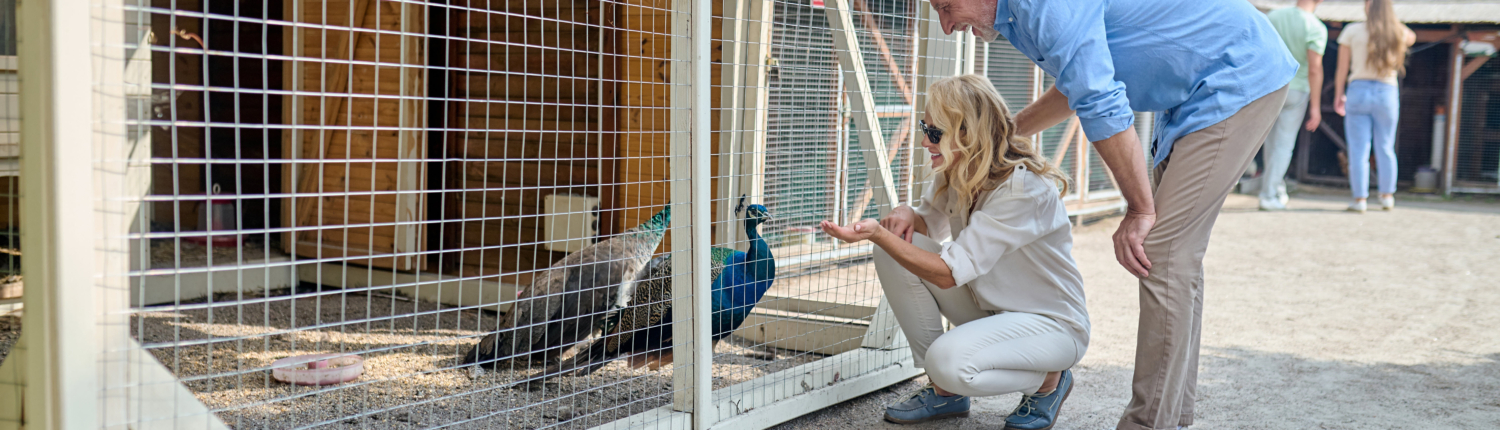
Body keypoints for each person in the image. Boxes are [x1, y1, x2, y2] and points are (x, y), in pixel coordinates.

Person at [927, 1, 1296, 429]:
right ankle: (1173, 415)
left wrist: (1138, 208)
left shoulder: (1044, 6)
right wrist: (1005, 135)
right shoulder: (1014, 18)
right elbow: (1077, 83)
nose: (948, 25)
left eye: (947, 6)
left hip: (1235, 73)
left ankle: (1146, 423)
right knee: (1177, 257)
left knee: (1162, 251)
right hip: (1192, 90)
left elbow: (1100, 99)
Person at [820, 75, 1089, 430]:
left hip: (1050, 327)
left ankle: (1048, 382)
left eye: (934, 133)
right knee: (898, 247)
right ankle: (944, 392)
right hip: (992, 310)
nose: (924, 141)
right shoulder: (963, 170)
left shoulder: (1022, 190)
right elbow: (928, 223)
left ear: (968, 134)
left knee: (946, 359)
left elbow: (947, 272)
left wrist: (879, 236)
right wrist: (904, 215)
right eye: (924, 128)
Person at [1334, 0, 1414, 213]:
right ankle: (1387, 196)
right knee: (1386, 147)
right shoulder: (1398, 32)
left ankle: (1359, 199)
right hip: (1387, 91)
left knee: (1358, 150)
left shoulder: (1351, 31)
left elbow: (1342, 68)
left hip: (1358, 90)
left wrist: (1338, 94)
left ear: (1368, 6)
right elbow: (1411, 37)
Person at [1260, 0, 1329, 211]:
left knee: (1270, 142)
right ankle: (1269, 195)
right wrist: (1315, 107)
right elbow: (1315, 69)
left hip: (1270, 87)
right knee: (1284, 144)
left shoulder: (1273, 16)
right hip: (1297, 89)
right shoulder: (1316, 27)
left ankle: (1275, 187)